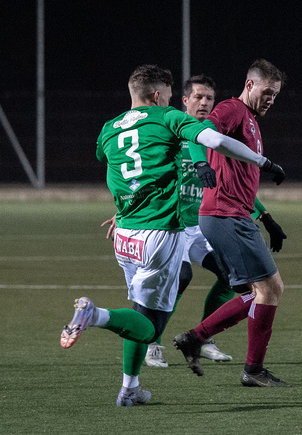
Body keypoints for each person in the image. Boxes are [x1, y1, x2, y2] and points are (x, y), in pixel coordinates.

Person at [60, 64, 285, 407]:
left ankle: (130, 387)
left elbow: (112, 165)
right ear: (157, 96)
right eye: (169, 96)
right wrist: (264, 162)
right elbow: (215, 139)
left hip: (125, 236)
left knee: (145, 310)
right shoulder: (169, 119)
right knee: (147, 327)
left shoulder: (109, 129)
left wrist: (123, 210)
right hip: (160, 235)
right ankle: (96, 315)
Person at [101, 74, 287, 367]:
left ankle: (204, 338)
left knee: (231, 278)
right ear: (184, 100)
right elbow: (144, 174)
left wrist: (263, 214)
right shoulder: (173, 129)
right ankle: (153, 343)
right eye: (198, 97)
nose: (204, 103)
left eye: (209, 98)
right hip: (172, 226)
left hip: (199, 226)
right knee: (181, 278)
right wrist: (124, 210)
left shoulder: (210, 137)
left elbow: (231, 184)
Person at [173, 59, 289, 387]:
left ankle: (195, 338)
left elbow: (240, 176)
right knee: (270, 288)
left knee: (253, 295)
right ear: (250, 84)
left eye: (276, 95)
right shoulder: (233, 110)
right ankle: (253, 370)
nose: (271, 99)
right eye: (267, 92)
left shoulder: (250, 120)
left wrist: (266, 217)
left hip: (233, 214)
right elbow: (199, 133)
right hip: (225, 215)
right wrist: (199, 165)